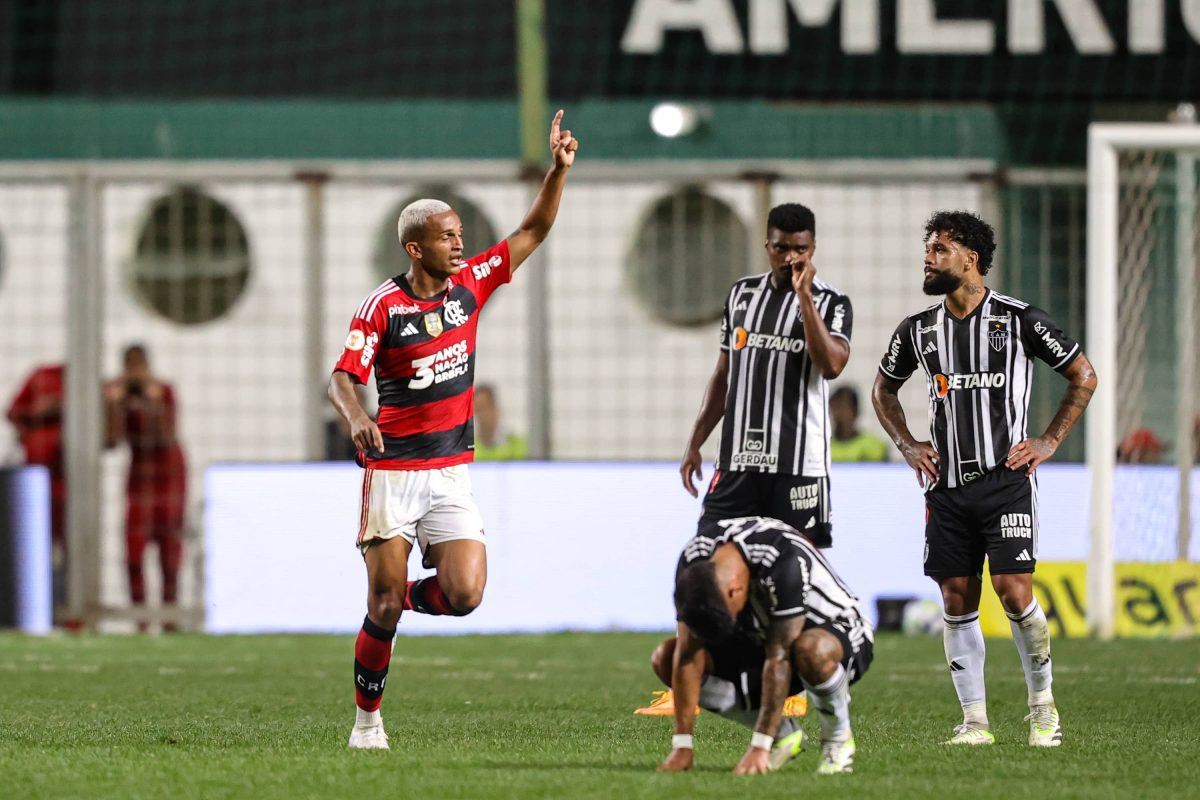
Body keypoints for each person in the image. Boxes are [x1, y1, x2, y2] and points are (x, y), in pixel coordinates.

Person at [329, 110, 578, 750]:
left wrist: (556, 172)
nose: (459, 246)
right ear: (416, 248)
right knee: (384, 609)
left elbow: (532, 230)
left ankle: (390, 598)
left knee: (465, 594)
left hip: (450, 472)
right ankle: (367, 723)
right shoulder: (383, 307)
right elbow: (341, 378)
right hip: (393, 473)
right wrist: (358, 416)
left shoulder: (471, 286)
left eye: (460, 234)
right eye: (447, 237)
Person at [872, 210, 1097, 747]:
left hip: (1006, 480)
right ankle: (974, 723)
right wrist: (908, 445)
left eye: (940, 249)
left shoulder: (1020, 320)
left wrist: (1049, 440)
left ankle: (1043, 710)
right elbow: (883, 390)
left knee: (1014, 593)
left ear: (970, 259)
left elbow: (1083, 375)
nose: (928, 258)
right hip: (946, 487)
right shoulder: (918, 330)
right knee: (956, 599)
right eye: (928, 249)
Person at [643, 203, 851, 718]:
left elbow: (831, 365)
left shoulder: (832, 302)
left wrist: (805, 300)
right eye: (781, 247)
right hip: (736, 464)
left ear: (813, 248)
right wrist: (697, 440)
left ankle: (792, 692)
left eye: (800, 249)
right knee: (701, 566)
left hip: (798, 470)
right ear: (767, 246)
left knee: (794, 576)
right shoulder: (741, 295)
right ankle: (686, 683)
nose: (790, 257)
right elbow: (724, 374)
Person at [653, 516, 873, 776]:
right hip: (760, 635)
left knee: (810, 650)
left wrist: (759, 745)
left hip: (837, 634)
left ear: (735, 590)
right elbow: (687, 652)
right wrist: (682, 745)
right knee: (666, 658)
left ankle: (837, 739)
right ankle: (783, 734)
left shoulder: (780, 556)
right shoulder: (693, 560)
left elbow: (779, 655)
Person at [104, 344, 188, 630]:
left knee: (170, 549)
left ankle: (170, 616)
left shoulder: (164, 391)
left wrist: (154, 400)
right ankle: (140, 619)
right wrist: (113, 404)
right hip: (139, 475)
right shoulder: (119, 395)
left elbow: (167, 436)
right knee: (134, 550)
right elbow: (110, 442)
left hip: (169, 474)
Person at [6, 363, 67, 614]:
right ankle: (32, 611)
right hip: (36, 483)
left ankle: (69, 612)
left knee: (71, 553)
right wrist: (38, 412)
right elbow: (13, 412)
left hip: (71, 485)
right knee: (32, 549)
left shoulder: (88, 384)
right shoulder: (42, 376)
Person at [828, 385, 888, 462]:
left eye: (843, 409)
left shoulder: (875, 448)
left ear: (855, 412)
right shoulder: (823, 447)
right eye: (834, 408)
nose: (838, 414)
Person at [473, 384, 527, 461]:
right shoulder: (466, 447)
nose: (482, 415)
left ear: (495, 408)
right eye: (478, 409)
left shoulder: (518, 445)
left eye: (485, 407)